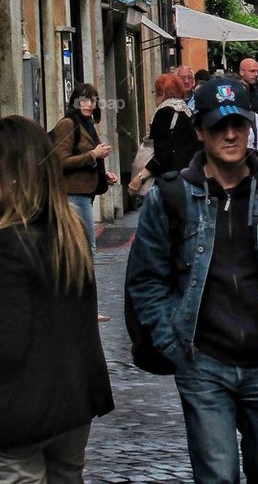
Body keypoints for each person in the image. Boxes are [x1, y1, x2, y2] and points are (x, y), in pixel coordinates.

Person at [125, 76, 258, 484]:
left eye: (238, 124)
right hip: (203, 361)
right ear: (200, 132)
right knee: (218, 475)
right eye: (219, 126)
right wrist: (172, 343)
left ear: (249, 128)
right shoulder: (169, 198)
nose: (230, 134)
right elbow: (145, 282)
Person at [0, 115, 114, 481]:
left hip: (20, 412)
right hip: (74, 401)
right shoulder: (70, 232)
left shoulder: (9, 243)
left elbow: (8, 341)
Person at [52, 83, 118, 255]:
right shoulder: (68, 124)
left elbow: (86, 158)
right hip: (72, 195)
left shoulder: (87, 125)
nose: (89, 105)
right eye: (84, 101)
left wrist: (103, 174)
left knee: (84, 249)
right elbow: (61, 161)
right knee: (85, 249)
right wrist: (93, 155)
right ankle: (83, 282)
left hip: (84, 194)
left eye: (93, 101)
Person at [128, 73, 195, 198]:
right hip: (186, 178)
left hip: (166, 182)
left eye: (155, 92)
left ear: (163, 94)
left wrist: (140, 177)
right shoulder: (187, 112)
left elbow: (162, 154)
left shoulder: (164, 112)